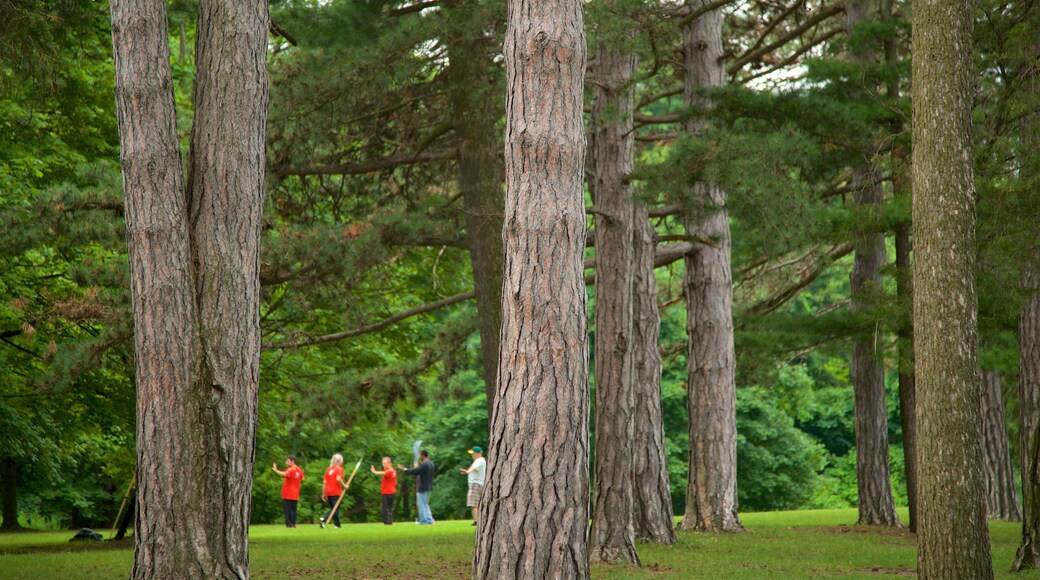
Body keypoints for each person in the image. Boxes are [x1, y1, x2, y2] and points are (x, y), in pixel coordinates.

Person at [400, 450, 435, 525]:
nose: (419, 456)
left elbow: (416, 471)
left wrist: (405, 470)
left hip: (422, 487)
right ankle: (430, 520)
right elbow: (420, 470)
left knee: (422, 505)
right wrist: (417, 467)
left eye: (420, 455)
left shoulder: (424, 464)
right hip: (429, 487)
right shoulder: (431, 463)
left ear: (423, 455)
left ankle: (425, 521)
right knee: (425, 504)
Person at [272, 455, 305, 528]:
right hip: (295, 493)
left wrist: (276, 470)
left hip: (288, 493)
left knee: (288, 510)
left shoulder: (291, 469)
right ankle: (294, 523)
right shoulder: (299, 469)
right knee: (293, 510)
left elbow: (284, 475)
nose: (286, 463)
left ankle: (289, 524)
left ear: (292, 461)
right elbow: (303, 479)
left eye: (288, 461)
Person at [459, 446, 486, 526]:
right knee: (478, 504)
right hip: (480, 484)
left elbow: (473, 468)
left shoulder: (479, 460)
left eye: (473, 453)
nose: (472, 455)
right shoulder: (482, 461)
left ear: (478, 453)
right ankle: (479, 520)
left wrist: (467, 471)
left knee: (474, 504)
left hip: (475, 484)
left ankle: (476, 521)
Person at [320, 454, 345, 528]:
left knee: (334, 509)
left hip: (328, 492)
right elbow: (338, 478)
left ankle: (337, 524)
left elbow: (324, 482)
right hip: (335, 491)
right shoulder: (339, 469)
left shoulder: (328, 469)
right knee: (335, 509)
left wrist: (323, 493)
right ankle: (324, 519)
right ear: (339, 461)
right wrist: (344, 485)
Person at [370, 456, 397, 525]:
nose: (383, 465)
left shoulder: (390, 471)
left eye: (384, 463)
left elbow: (382, 473)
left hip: (387, 492)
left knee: (386, 508)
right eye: (383, 463)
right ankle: (389, 521)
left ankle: (387, 522)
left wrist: (374, 471)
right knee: (389, 508)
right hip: (391, 491)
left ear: (389, 463)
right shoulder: (393, 470)